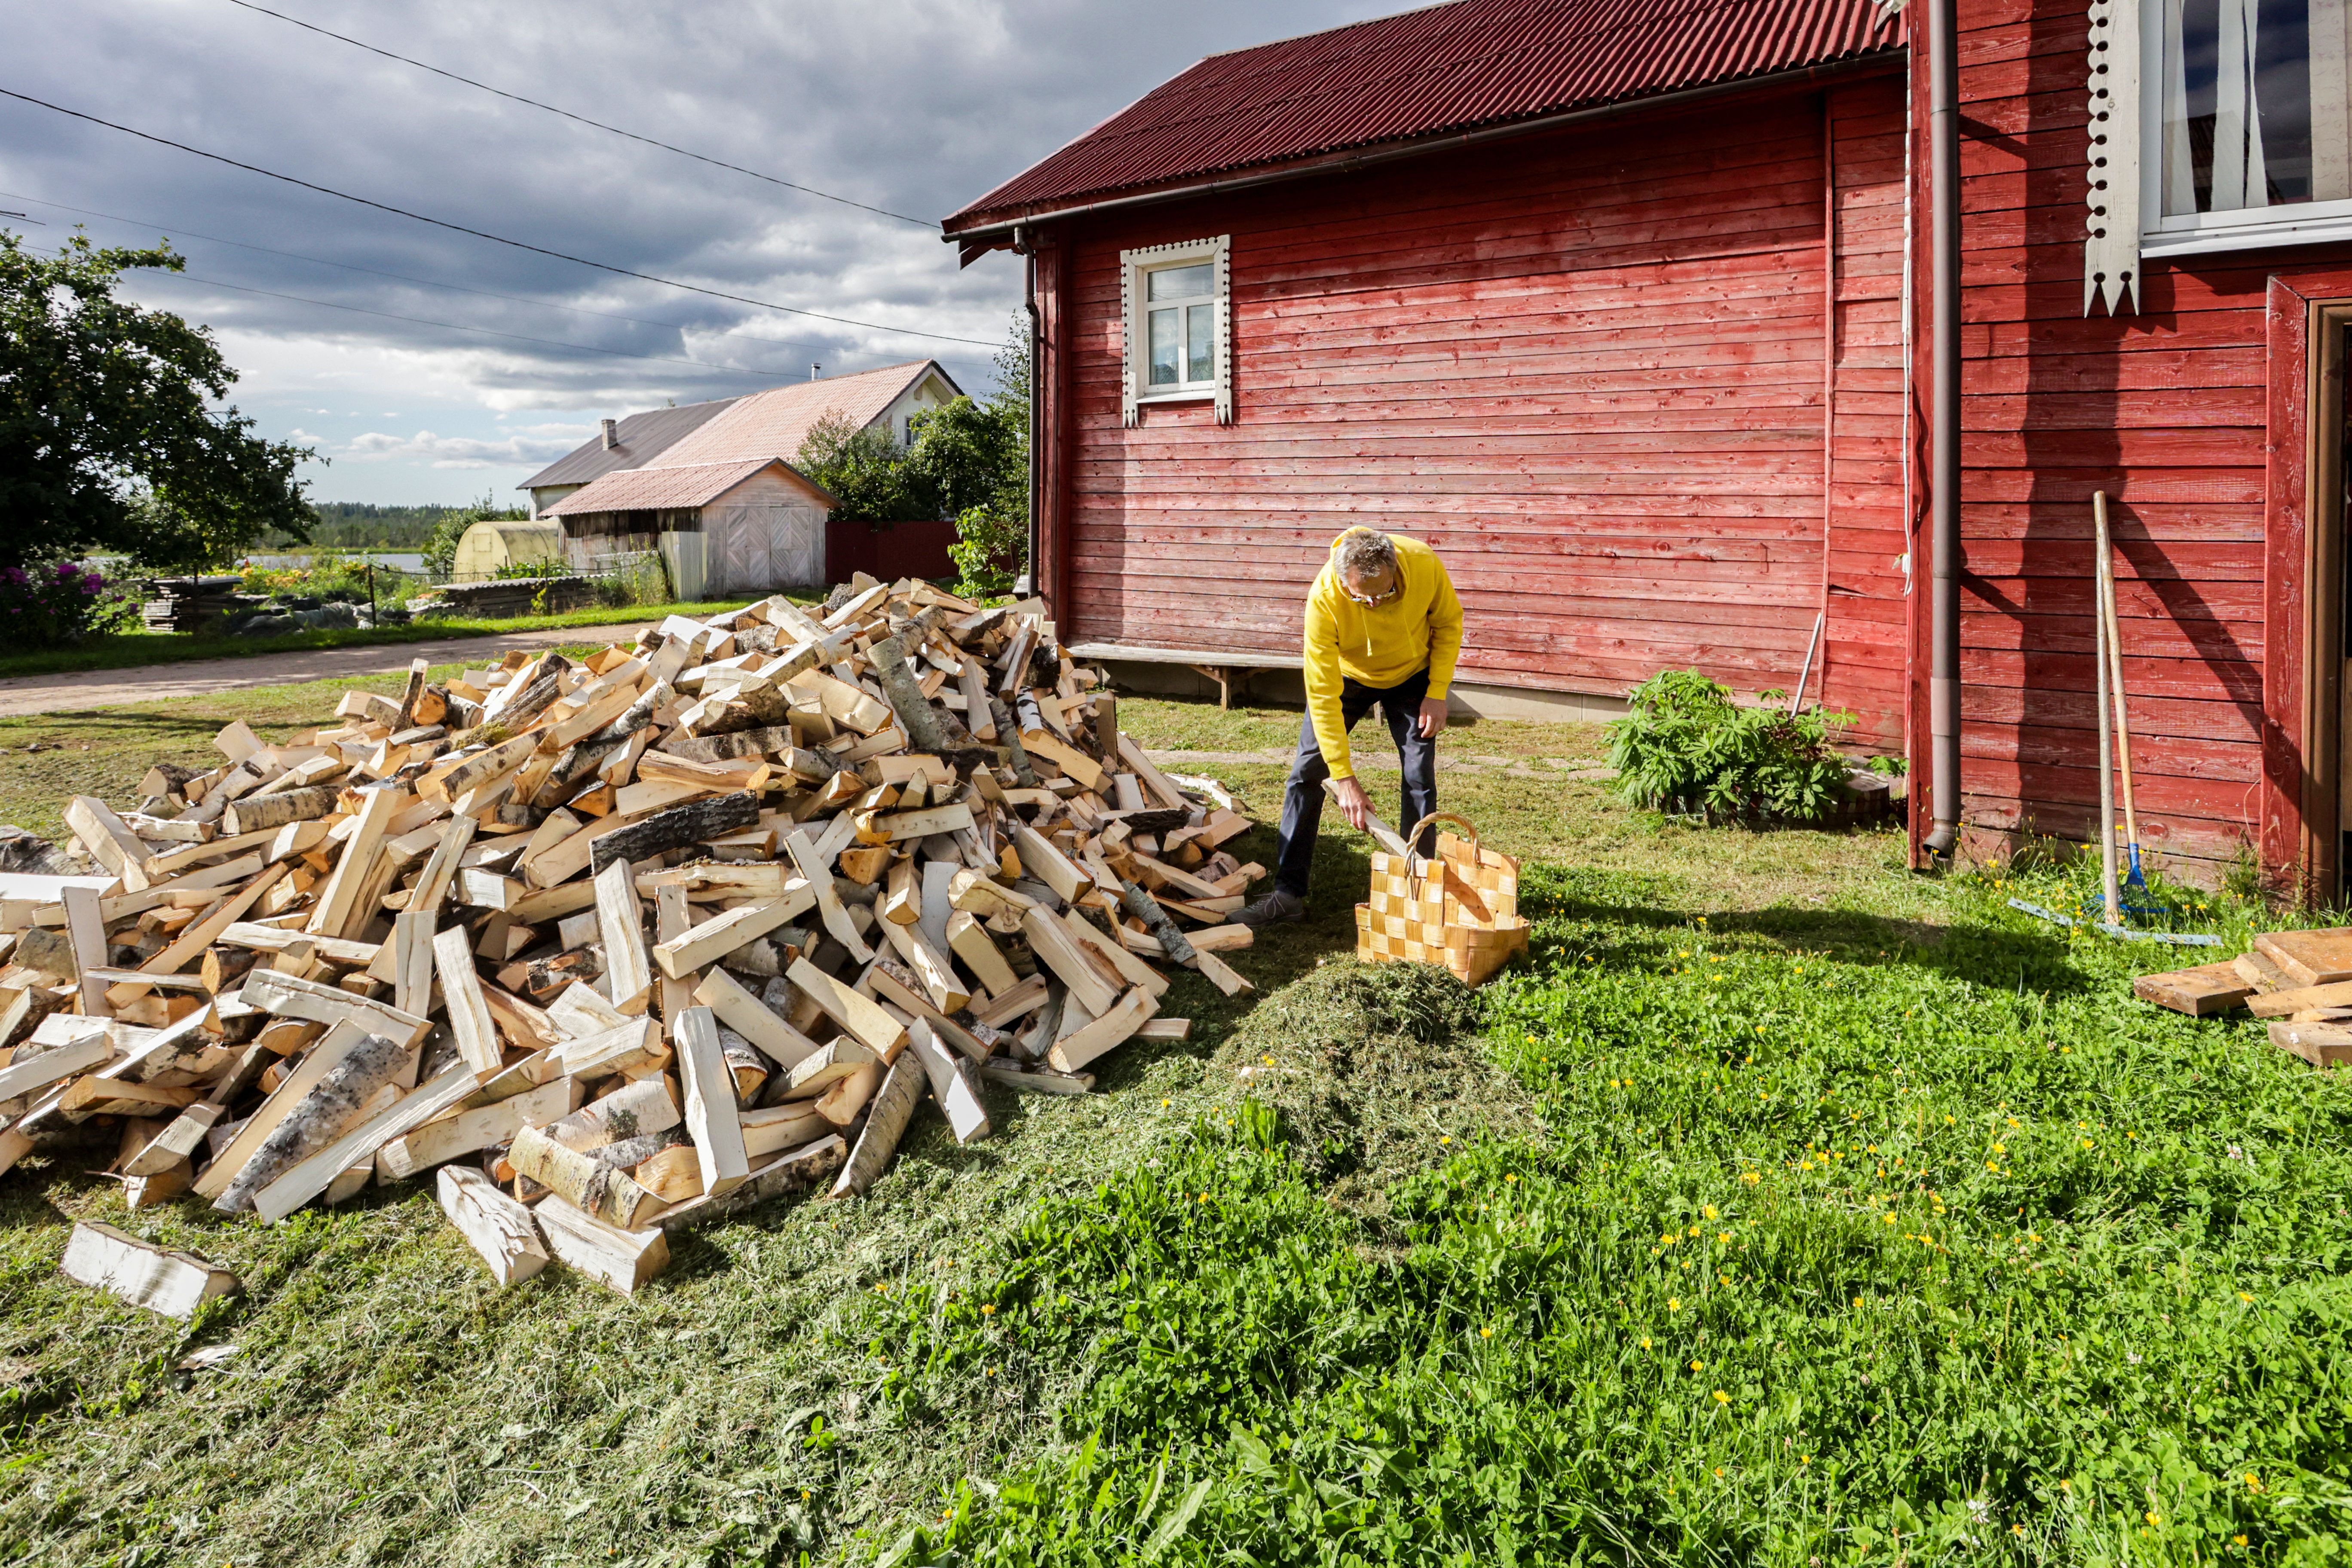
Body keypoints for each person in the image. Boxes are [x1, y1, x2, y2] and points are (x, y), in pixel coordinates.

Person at [1235, 527, 1462, 928]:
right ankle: (1287, 894)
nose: (1374, 603)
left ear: (1395, 568)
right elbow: (1322, 693)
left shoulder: (1424, 563)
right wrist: (1343, 777)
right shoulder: (1324, 598)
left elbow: (1447, 624)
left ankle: (1420, 890)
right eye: (1362, 597)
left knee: (1418, 776)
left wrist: (1437, 691)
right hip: (1349, 677)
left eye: (1386, 594)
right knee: (1307, 773)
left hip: (1412, 677)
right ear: (1343, 581)